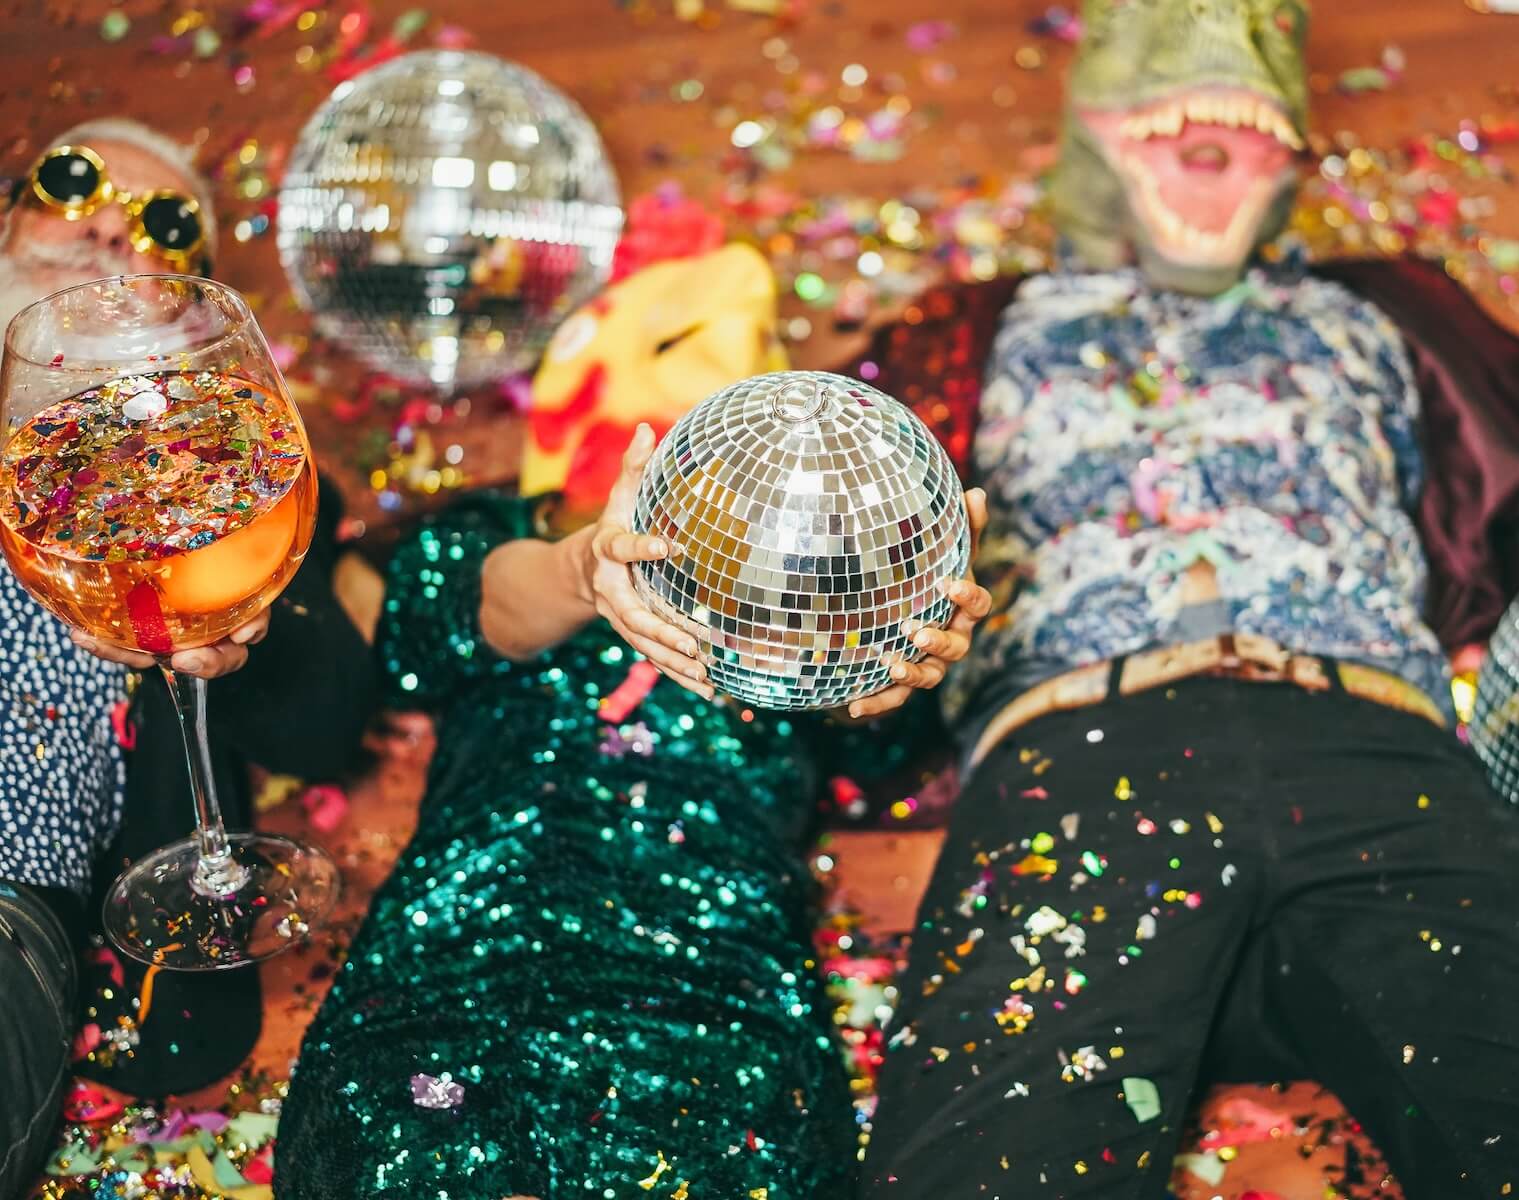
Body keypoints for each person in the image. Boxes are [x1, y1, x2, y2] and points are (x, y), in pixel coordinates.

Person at [839, 3, 1519, 1198]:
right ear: (1094, 125)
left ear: (1291, 152)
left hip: (1387, 767)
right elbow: (824, 536)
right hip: (1078, 772)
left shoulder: (1378, 310)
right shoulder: (975, 328)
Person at [275, 426, 989, 1198]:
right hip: (459, 963)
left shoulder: (817, 595)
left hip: (715, 1009)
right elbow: (435, 626)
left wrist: (894, 641)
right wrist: (585, 568)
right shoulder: (500, 535)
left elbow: (884, 743)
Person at [0, 118, 374, 1196]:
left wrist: (242, 634)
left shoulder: (241, 485)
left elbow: (326, 721)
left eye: (167, 229)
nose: (116, 227)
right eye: (74, 185)